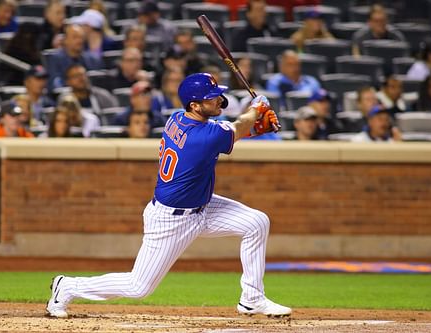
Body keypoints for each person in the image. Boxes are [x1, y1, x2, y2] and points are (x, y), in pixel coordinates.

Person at [46, 72, 291, 319]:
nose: (219, 99)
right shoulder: (204, 136)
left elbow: (227, 132)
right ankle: (66, 287)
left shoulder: (178, 118)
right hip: (171, 220)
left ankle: (252, 299)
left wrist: (252, 126)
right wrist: (256, 109)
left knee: (257, 222)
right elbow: (234, 128)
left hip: (203, 206)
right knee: (138, 287)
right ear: (194, 105)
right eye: (212, 97)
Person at [46, 24, 104, 91]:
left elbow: (100, 83)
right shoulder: (55, 59)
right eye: (75, 37)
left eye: (81, 37)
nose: (79, 41)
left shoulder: (93, 59)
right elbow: (55, 84)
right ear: (65, 40)